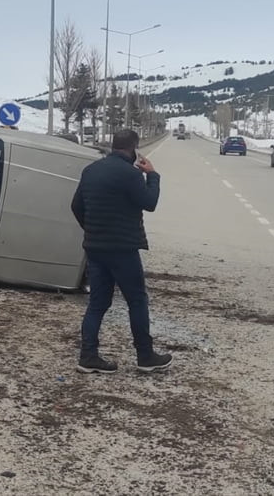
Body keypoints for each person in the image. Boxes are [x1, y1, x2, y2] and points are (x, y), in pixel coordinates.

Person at [70, 129, 172, 374]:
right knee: (137, 300)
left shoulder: (91, 170)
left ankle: (88, 356)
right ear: (134, 148)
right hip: (123, 249)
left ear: (113, 146)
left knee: (97, 303)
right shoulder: (131, 175)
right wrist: (153, 175)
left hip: (95, 248)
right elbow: (150, 203)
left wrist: (93, 229)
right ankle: (145, 356)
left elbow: (76, 206)